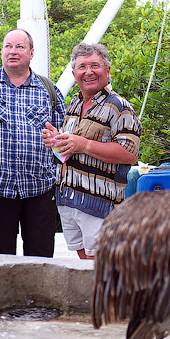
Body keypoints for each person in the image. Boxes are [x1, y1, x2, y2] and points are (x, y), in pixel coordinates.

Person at [0, 28, 66, 256]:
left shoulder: (49, 90)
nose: (13, 52)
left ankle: (35, 294)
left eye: (19, 47)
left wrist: (58, 170)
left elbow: (63, 139)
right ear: (1, 51)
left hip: (41, 188)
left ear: (31, 52)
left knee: (40, 258)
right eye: (8, 46)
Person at [42, 42, 141, 259]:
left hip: (99, 203)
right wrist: (56, 141)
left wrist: (83, 144)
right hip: (68, 198)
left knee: (101, 266)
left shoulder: (120, 107)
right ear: (74, 73)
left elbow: (129, 153)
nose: (88, 72)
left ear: (107, 70)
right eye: (82, 67)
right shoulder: (75, 104)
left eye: (94, 65)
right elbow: (70, 149)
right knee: (83, 264)